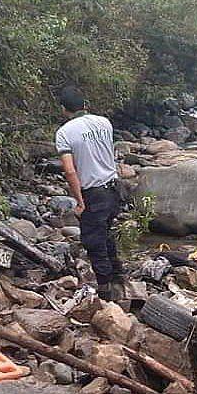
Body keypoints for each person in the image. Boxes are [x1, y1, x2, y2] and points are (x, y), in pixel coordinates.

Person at [55, 86, 123, 300]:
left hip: (93, 192)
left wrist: (79, 201)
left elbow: (69, 170)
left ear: (64, 109)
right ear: (85, 105)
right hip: (114, 188)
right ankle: (118, 278)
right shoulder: (104, 122)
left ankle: (106, 292)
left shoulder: (65, 132)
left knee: (94, 241)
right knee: (107, 233)